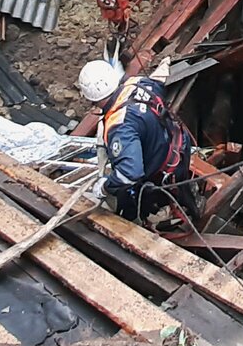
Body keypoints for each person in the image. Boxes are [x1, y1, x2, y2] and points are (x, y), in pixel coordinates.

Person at [77, 58, 198, 225]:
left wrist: (106, 186)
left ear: (91, 98)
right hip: (178, 147)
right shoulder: (139, 83)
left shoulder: (120, 126)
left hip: (163, 171)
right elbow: (158, 85)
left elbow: (130, 173)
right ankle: (190, 205)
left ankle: (165, 219)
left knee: (136, 208)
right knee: (184, 192)